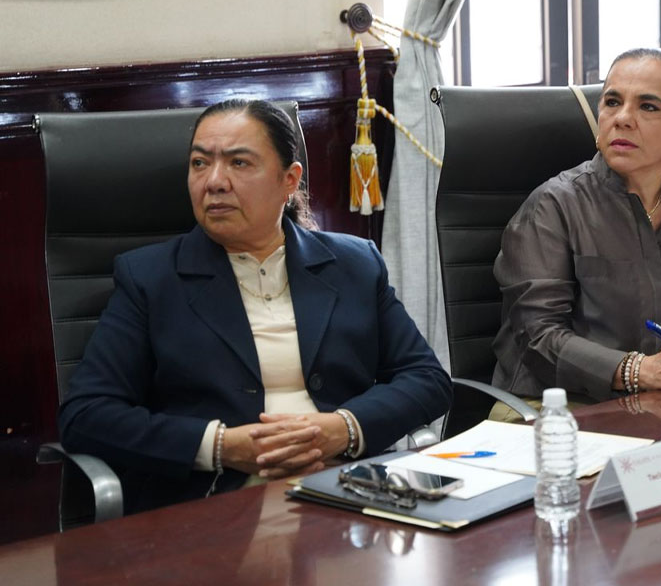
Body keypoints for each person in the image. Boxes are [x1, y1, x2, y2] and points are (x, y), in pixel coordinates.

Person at [58, 99, 452, 514]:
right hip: (217, 506)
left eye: (239, 163)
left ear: (289, 180)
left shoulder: (353, 264)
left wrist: (344, 429)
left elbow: (427, 379)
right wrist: (221, 446)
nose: (214, 181)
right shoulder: (150, 279)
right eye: (199, 163)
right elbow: (86, 415)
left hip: (346, 493)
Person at [491, 48, 661, 403]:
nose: (623, 118)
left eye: (648, 107)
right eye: (612, 102)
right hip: (557, 410)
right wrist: (640, 371)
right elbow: (538, 339)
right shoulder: (553, 207)